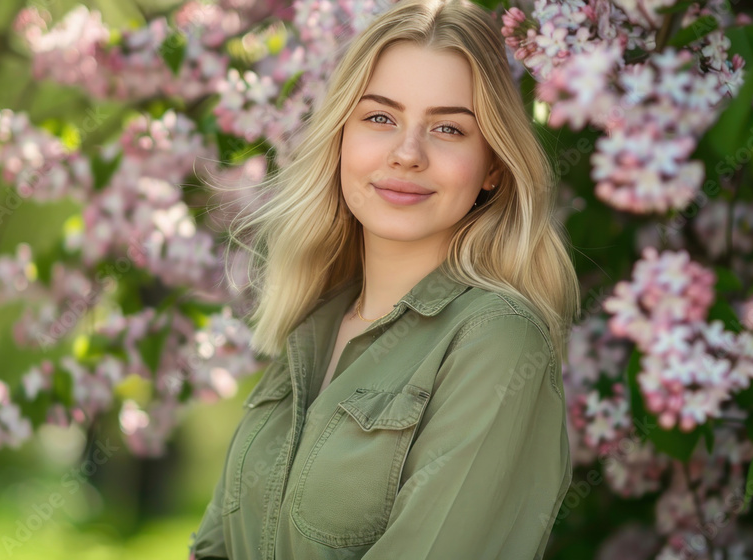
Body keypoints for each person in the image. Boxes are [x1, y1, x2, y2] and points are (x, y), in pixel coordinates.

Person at [191, 0, 580, 558]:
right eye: (379, 118)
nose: (407, 154)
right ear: (340, 137)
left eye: (448, 128)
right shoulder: (314, 323)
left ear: (493, 165)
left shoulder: (498, 341)